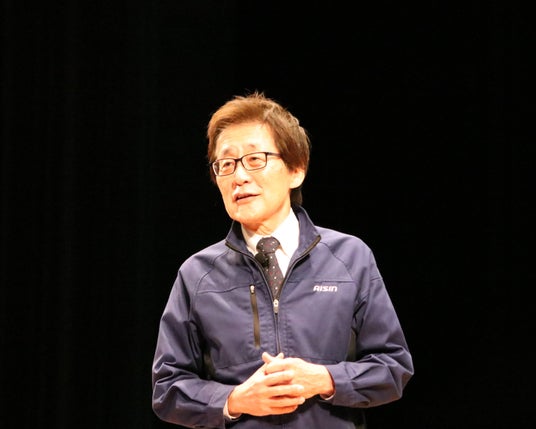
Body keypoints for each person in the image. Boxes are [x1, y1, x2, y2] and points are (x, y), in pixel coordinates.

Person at [151, 91, 414, 428]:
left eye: (255, 159)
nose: (239, 177)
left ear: (296, 170)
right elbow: (167, 389)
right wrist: (234, 399)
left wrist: (324, 379)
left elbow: (393, 367)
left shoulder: (350, 258)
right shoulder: (196, 275)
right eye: (226, 164)